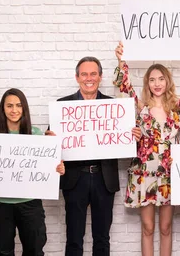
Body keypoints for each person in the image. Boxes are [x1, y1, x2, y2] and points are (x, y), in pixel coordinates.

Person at [114, 41, 180, 256]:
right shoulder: (139, 106)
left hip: (169, 173)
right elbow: (123, 88)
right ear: (147, 83)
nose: (157, 83)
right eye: (152, 79)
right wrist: (121, 61)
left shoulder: (177, 107)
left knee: (166, 228)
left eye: (160, 79)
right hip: (144, 172)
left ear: (167, 81)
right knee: (148, 227)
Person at [0, 88, 65, 256]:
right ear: (3, 109)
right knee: (1, 251)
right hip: (0, 204)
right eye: (9, 105)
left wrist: (58, 168)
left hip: (30, 204)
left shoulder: (36, 135)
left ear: (24, 108)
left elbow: (48, 167)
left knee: (34, 250)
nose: (14, 110)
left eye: (18, 105)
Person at [57, 56, 140, 256]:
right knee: (74, 238)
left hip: (104, 179)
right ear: (77, 77)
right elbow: (52, 145)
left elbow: (121, 140)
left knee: (102, 238)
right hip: (75, 179)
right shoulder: (62, 106)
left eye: (93, 74)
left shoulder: (114, 108)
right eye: (84, 74)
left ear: (100, 77)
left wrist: (132, 136)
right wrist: (50, 139)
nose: (89, 78)